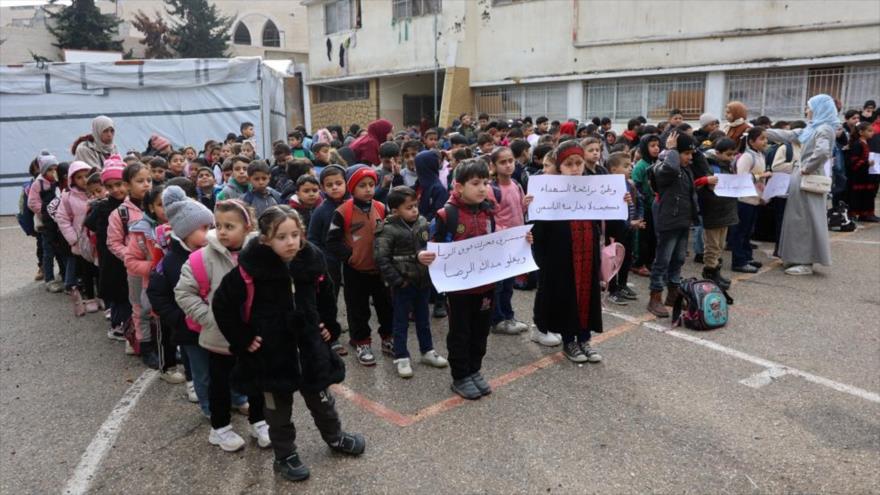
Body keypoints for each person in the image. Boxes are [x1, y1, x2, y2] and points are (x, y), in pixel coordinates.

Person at [213, 205, 365, 482]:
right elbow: (222, 304)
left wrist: (328, 325)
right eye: (282, 237)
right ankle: (285, 456)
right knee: (277, 411)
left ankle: (335, 437)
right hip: (272, 357)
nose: (291, 242)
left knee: (323, 401)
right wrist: (243, 338)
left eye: (295, 234)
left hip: (309, 350)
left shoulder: (311, 260)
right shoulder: (251, 269)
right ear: (265, 239)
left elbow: (327, 291)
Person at [429, 159, 518, 399]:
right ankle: (460, 376)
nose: (482, 188)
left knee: (480, 331)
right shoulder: (447, 214)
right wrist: (425, 256)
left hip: (486, 287)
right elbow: (433, 247)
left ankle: (474, 370)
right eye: (476, 183)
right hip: (458, 291)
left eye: (485, 182)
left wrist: (520, 244)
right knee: (460, 332)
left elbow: (497, 242)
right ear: (458, 187)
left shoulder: (489, 211)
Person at [175, 199, 258, 447]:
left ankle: (259, 422)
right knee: (218, 382)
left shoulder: (259, 254)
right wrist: (210, 318)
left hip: (252, 334)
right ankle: (220, 428)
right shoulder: (201, 258)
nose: (222, 231)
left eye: (230, 226)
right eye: (218, 225)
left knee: (254, 378)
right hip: (219, 336)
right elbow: (184, 292)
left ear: (247, 226)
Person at [530, 141, 603, 363]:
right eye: (569, 164)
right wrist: (530, 207)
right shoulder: (547, 191)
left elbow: (607, 216)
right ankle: (569, 340)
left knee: (587, 294)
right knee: (567, 295)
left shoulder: (593, 187)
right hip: (562, 256)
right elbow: (539, 231)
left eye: (578, 163)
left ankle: (584, 338)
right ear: (559, 167)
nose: (575, 168)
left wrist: (622, 201)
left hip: (587, 251)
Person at [374, 186, 449, 378]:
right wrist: (398, 281)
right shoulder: (387, 229)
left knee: (423, 319)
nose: (414, 210)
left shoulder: (423, 222)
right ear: (395, 210)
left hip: (423, 282)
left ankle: (427, 351)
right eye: (409, 207)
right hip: (403, 285)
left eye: (415, 205)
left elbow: (430, 247)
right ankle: (401, 356)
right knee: (400, 322)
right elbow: (382, 259)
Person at [147, 186, 214, 401]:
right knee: (197, 365)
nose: (210, 232)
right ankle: (198, 391)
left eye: (211, 226)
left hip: (213, 324)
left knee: (218, 365)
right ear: (185, 231)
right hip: (188, 328)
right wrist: (178, 319)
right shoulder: (171, 261)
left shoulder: (214, 252)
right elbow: (156, 293)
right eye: (203, 228)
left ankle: (233, 397)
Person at [326, 165, 394, 366]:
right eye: (362, 185)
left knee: (385, 306)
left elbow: (390, 233)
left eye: (371, 185)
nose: (368, 189)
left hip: (380, 269)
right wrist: (351, 257)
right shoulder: (342, 212)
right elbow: (332, 242)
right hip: (355, 271)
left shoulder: (381, 208)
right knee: (358, 309)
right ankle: (361, 342)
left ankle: (388, 338)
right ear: (352, 188)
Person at [764, 94, 836, 275]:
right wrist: (758, 130)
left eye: (808, 106)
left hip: (809, 179)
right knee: (797, 219)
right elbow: (787, 134)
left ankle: (806, 262)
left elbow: (822, 152)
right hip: (801, 178)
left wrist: (807, 168)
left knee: (806, 220)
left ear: (819, 108)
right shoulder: (812, 128)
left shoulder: (824, 129)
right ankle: (795, 257)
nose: (806, 110)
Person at [647, 131, 699, 318]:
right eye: (686, 153)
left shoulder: (685, 169)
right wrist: (670, 150)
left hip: (683, 220)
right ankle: (655, 297)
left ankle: (673, 294)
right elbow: (669, 169)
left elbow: (699, 161)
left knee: (678, 259)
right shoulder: (664, 167)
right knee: (662, 261)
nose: (690, 158)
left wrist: (688, 146)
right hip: (669, 221)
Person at [84, 156, 131, 341]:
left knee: (127, 292)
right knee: (120, 293)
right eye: (110, 186)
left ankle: (124, 323)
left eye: (119, 184)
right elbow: (90, 223)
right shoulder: (105, 206)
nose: (115, 190)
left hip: (126, 255)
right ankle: (119, 326)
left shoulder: (129, 203)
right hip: (112, 257)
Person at [487, 146, 532, 334]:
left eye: (510, 161)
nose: (508, 165)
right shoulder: (491, 189)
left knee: (508, 284)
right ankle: (497, 320)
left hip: (516, 244)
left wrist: (526, 205)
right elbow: (489, 219)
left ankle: (508, 316)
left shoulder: (516, 184)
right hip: (500, 245)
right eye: (502, 162)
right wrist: (505, 234)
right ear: (494, 165)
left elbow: (518, 212)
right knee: (498, 285)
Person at [123, 184, 169, 370]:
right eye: (161, 205)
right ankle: (146, 347)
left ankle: (166, 348)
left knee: (165, 314)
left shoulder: (179, 225)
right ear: (151, 207)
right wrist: (153, 267)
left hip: (166, 279)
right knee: (141, 311)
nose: (166, 210)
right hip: (141, 278)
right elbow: (130, 260)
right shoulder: (141, 231)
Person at [107, 162, 150, 356]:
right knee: (139, 307)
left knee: (161, 305)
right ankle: (142, 343)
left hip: (158, 267)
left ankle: (164, 342)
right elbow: (113, 242)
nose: (146, 184)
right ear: (127, 185)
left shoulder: (157, 205)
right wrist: (131, 256)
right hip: (136, 270)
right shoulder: (120, 214)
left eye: (148, 180)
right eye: (140, 181)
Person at [693, 137, 739, 289]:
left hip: (726, 209)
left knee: (720, 245)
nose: (731, 157)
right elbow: (698, 184)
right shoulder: (708, 164)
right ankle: (709, 273)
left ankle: (716, 272)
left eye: (733, 154)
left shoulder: (728, 165)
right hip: (712, 210)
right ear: (717, 152)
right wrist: (708, 182)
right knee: (712, 246)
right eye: (728, 154)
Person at [55, 161, 100, 315]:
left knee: (99, 270)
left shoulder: (97, 191)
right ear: (72, 179)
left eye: (87, 175)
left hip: (98, 240)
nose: (84, 180)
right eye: (79, 177)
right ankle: (90, 298)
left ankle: (101, 296)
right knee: (86, 271)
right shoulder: (67, 197)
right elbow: (62, 218)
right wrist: (73, 239)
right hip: (81, 242)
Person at [728, 127, 770, 273]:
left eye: (765, 138)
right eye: (761, 138)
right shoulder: (747, 157)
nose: (765, 141)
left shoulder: (760, 155)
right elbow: (741, 177)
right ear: (751, 141)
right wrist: (761, 176)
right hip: (744, 200)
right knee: (740, 232)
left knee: (747, 232)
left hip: (755, 199)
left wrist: (763, 196)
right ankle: (738, 261)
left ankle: (747, 257)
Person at [605, 152, 643, 305]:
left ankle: (622, 285)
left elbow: (639, 200)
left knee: (627, 257)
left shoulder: (630, 184)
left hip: (629, 228)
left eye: (630, 165)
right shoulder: (608, 186)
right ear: (613, 169)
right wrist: (629, 223)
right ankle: (612, 289)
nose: (630, 168)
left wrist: (638, 218)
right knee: (613, 258)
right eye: (626, 166)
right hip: (614, 229)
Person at [27, 152, 65, 292]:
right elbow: (32, 202)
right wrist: (46, 211)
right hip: (45, 223)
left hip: (58, 221)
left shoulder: (58, 182)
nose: (53, 172)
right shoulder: (38, 183)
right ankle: (49, 279)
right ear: (43, 170)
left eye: (55, 168)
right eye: (50, 169)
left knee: (61, 249)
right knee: (48, 251)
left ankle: (64, 273)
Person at [630, 135, 661, 277]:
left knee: (653, 237)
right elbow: (636, 187)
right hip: (644, 208)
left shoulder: (658, 163)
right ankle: (638, 263)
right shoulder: (641, 166)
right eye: (652, 146)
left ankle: (649, 261)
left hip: (656, 206)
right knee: (642, 238)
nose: (656, 148)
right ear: (644, 148)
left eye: (657, 145)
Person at [845, 122, 878, 222]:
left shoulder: (867, 143)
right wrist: (866, 162)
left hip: (867, 174)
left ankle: (866, 214)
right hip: (859, 176)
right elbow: (854, 161)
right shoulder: (857, 144)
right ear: (861, 132)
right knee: (858, 195)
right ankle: (855, 213)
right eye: (869, 131)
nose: (872, 132)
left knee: (868, 194)